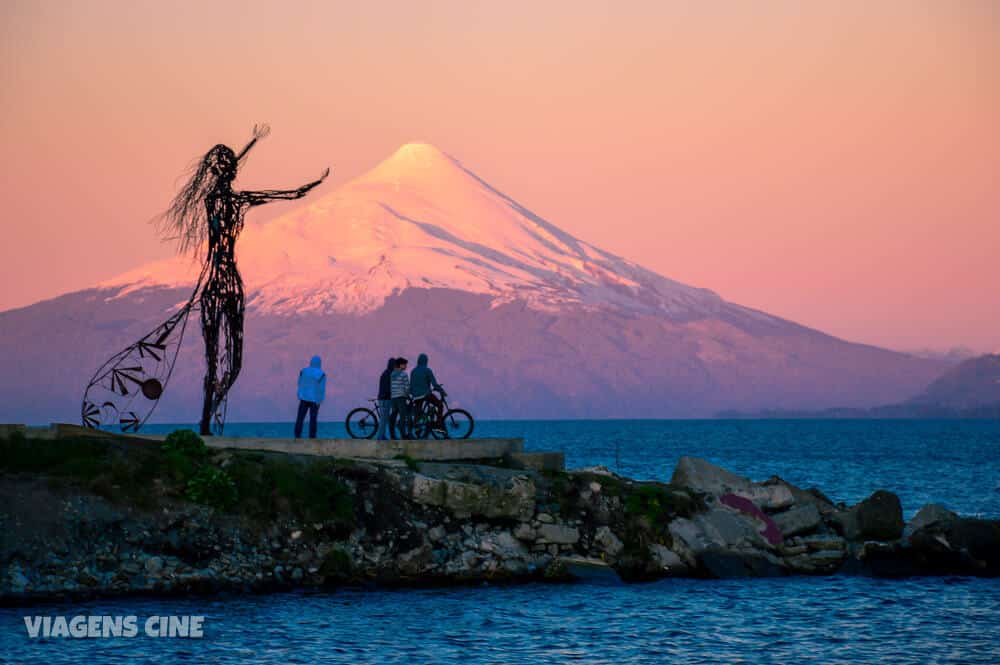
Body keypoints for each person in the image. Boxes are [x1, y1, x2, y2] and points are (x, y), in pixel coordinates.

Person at [410, 353, 446, 430]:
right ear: (426, 361)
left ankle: (416, 427)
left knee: (419, 412)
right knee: (440, 405)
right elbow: (434, 384)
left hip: (416, 396)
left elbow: (411, 385)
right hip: (426, 394)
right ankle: (438, 424)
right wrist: (442, 391)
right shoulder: (427, 370)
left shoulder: (413, 371)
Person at [294, 355, 326, 439]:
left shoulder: (303, 371)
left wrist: (299, 394)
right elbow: (321, 389)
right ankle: (312, 437)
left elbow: (299, 383)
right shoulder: (321, 374)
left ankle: (297, 435)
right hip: (314, 400)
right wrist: (320, 400)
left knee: (300, 418)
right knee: (313, 419)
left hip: (303, 398)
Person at [389, 357, 411, 439]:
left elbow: (391, 386)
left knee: (393, 416)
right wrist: (408, 395)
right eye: (405, 364)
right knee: (403, 416)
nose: (406, 366)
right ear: (401, 365)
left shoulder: (392, 374)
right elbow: (407, 387)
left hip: (393, 397)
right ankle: (403, 435)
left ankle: (392, 435)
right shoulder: (403, 374)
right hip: (401, 397)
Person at [376, 357, 395, 441]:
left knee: (384, 418)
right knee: (383, 419)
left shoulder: (386, 373)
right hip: (385, 399)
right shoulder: (388, 374)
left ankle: (382, 436)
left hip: (384, 398)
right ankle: (380, 437)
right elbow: (388, 388)